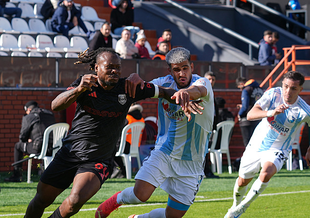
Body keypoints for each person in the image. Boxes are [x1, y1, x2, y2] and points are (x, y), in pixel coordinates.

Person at [24, 47, 190, 218]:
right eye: (109, 67)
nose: (114, 71)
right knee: (42, 200)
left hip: (98, 161)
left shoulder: (128, 87)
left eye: (117, 67)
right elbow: (56, 105)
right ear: (96, 68)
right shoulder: (85, 84)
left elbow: (163, 91)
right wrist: (78, 89)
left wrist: (185, 96)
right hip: (70, 153)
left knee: (75, 201)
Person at [95, 47, 214, 218]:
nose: (182, 73)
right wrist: (135, 78)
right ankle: (115, 201)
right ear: (169, 70)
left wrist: (185, 94)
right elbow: (142, 87)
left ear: (192, 67)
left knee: (172, 216)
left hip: (192, 162)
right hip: (164, 152)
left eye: (185, 68)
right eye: (176, 69)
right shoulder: (163, 83)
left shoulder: (203, 83)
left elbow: (199, 91)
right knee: (140, 195)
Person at [224, 71, 310, 218]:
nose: (288, 91)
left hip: (279, 148)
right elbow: (250, 114)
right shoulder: (273, 94)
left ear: (300, 90)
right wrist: (271, 112)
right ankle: (235, 205)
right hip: (257, 144)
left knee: (266, 173)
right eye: (286, 86)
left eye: (293, 88)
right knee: (243, 180)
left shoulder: (306, 110)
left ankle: (244, 206)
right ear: (282, 84)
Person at [5, 101, 56, 182]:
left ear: (28, 110)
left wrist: (27, 140)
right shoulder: (50, 114)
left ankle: (17, 175)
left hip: (38, 148)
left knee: (18, 146)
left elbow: (22, 137)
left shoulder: (29, 117)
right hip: (53, 148)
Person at [112, 103, 145, 179]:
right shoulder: (141, 118)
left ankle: (119, 171)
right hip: (135, 146)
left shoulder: (127, 117)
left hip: (125, 146)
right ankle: (121, 171)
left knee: (109, 149)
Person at [236, 77, 263, 147]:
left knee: (248, 144)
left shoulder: (246, 90)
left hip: (247, 120)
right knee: (257, 143)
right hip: (258, 118)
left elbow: (245, 107)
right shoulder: (259, 89)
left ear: (241, 84)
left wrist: (239, 114)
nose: (240, 89)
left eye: (240, 88)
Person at [203, 71, 219, 179]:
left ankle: (206, 171)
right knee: (202, 150)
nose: (211, 81)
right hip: (202, 126)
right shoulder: (201, 91)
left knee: (205, 150)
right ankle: (205, 171)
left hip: (210, 127)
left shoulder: (212, 93)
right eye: (209, 79)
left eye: (213, 79)